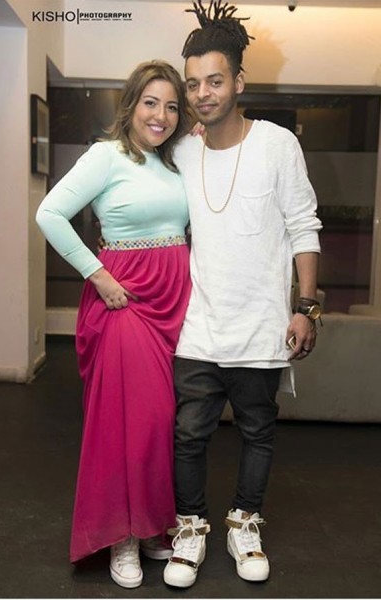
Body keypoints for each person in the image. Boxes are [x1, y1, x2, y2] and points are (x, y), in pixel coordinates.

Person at [162, 0, 323, 588]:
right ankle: (190, 527)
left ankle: (244, 523)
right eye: (193, 84)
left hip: (260, 327)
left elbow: (304, 226)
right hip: (199, 327)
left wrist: (306, 308)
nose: (202, 93)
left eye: (215, 80)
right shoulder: (182, 150)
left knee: (258, 431)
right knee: (188, 435)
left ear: (238, 82)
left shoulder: (277, 145)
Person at [36, 60, 192, 589]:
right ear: (130, 104)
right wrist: (98, 275)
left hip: (173, 302)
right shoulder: (106, 156)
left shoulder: (174, 162)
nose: (160, 115)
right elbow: (49, 214)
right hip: (125, 300)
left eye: (171, 106)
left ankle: (149, 525)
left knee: (160, 422)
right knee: (131, 420)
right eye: (151, 102)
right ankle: (120, 535)